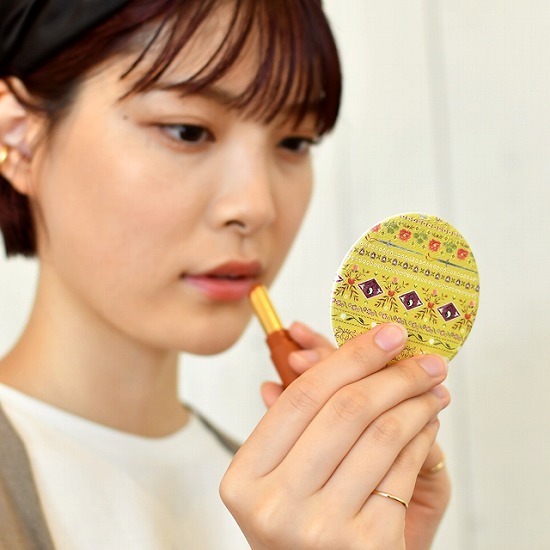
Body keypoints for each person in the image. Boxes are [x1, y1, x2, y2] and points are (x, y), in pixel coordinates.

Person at [0, 0, 451, 548]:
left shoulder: (308, 507)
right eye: (188, 131)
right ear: (17, 137)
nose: (256, 206)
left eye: (294, 142)